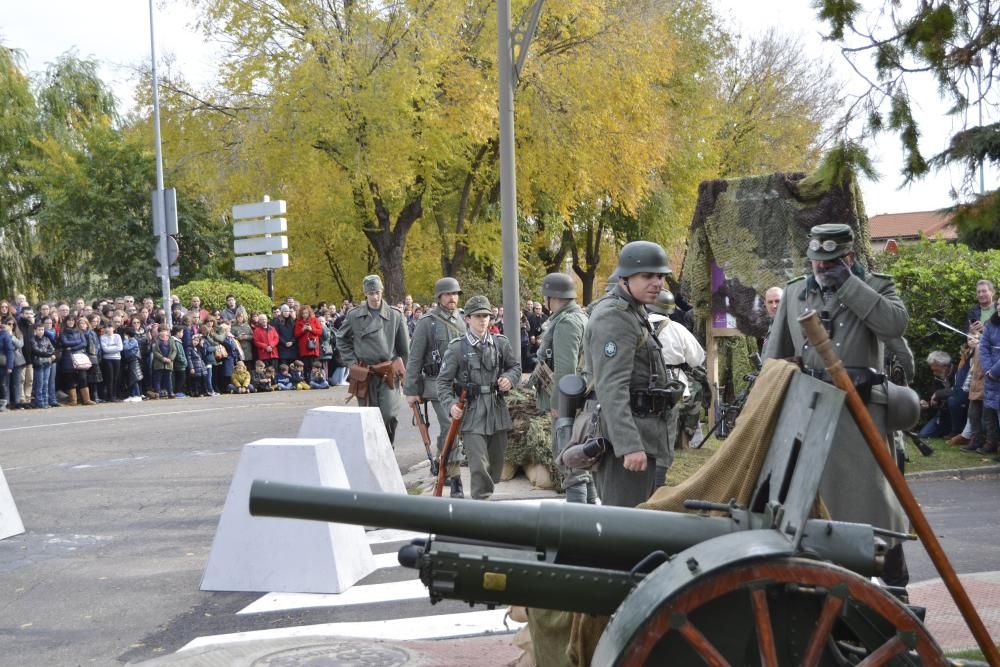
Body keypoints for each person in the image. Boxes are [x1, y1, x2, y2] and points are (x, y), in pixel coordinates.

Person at [763, 222, 910, 588]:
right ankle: (818, 587)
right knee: (808, 508)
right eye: (817, 262)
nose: (822, 269)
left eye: (831, 263)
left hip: (860, 416)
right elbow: (774, 358)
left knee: (875, 505)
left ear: (849, 257)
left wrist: (849, 285)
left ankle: (894, 586)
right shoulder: (796, 294)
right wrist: (787, 371)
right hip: (809, 414)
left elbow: (894, 326)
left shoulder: (875, 287)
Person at [583, 241, 677, 507]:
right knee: (623, 526)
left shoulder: (634, 311)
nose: (657, 282)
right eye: (647, 275)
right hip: (626, 442)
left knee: (638, 524)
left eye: (660, 276)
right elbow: (611, 387)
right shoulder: (614, 316)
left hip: (645, 435)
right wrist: (629, 445)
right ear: (625, 278)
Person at [437, 295, 521, 500]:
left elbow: (515, 367)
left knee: (495, 465)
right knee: (479, 465)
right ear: (467, 319)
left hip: (496, 410)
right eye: (478, 316)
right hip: (472, 413)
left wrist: (509, 378)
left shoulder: (500, 343)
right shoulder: (457, 348)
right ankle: (480, 508)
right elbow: (442, 382)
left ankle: (485, 496)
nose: (483, 320)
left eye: (486, 316)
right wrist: (450, 405)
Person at [533, 272, 594, 503]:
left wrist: (559, 407)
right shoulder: (577, 317)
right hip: (578, 401)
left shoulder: (567, 323)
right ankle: (590, 517)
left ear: (552, 297)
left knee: (571, 463)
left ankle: (578, 522)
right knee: (582, 464)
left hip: (568, 405)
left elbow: (565, 371)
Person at [404, 277, 467, 497]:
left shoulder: (461, 320)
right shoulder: (427, 322)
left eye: (456, 294)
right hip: (435, 386)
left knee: (452, 431)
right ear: (439, 297)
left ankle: (443, 465)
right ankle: (456, 479)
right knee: (452, 427)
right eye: (449, 294)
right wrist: (411, 390)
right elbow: (414, 358)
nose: (453, 298)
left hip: (458, 386)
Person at [336, 275, 410, 443]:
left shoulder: (395, 315)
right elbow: (341, 338)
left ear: (382, 291)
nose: (375, 297)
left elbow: (404, 349)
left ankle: (387, 448)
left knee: (389, 414)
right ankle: (372, 452)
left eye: (377, 292)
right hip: (365, 373)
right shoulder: (355, 315)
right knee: (368, 415)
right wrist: (352, 362)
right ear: (365, 294)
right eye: (371, 293)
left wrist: (404, 372)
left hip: (388, 373)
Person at [647, 289, 706, 486]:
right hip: (671, 386)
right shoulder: (677, 329)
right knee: (666, 436)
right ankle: (659, 481)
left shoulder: (636, 325)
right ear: (670, 309)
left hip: (640, 384)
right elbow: (697, 358)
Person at [58, 313, 94, 406]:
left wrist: (73, 348)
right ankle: (73, 400)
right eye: (69, 320)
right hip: (67, 358)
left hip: (79, 356)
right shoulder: (63, 332)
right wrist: (77, 344)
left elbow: (84, 343)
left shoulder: (79, 331)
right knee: (70, 378)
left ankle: (86, 399)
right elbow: (65, 342)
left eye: (72, 320)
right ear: (66, 322)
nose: (71, 322)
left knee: (83, 378)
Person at [30, 321, 56, 409]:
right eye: (39, 330)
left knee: (46, 383)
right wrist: (48, 354)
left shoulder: (46, 339)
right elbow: (36, 350)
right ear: (35, 330)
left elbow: (52, 349)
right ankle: (39, 402)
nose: (41, 331)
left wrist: (47, 353)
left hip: (47, 363)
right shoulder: (32, 339)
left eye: (42, 329)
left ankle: (45, 401)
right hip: (39, 363)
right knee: (39, 384)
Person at [151, 328, 177, 398]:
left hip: (169, 364)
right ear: (159, 334)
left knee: (169, 379)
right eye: (162, 332)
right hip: (159, 364)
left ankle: (170, 393)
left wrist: (170, 359)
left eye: (165, 332)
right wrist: (162, 358)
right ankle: (158, 393)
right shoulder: (156, 341)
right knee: (158, 379)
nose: (164, 335)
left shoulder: (171, 341)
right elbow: (155, 351)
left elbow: (174, 350)